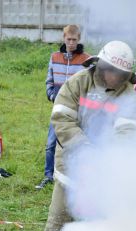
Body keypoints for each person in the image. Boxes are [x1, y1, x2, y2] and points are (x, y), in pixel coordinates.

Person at [30, 40, 136, 231]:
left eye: (122, 74)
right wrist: (85, 151)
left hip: (105, 174)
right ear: (101, 66)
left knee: (100, 226)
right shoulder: (77, 83)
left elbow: (127, 134)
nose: (116, 77)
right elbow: (62, 119)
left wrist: (105, 162)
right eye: (112, 70)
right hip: (70, 167)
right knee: (58, 221)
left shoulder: (129, 96)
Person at [35, 25, 91, 190]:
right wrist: (52, 96)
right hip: (58, 109)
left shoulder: (86, 60)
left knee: (75, 143)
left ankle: (73, 176)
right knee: (51, 143)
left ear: (78, 39)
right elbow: (49, 80)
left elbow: (88, 84)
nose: (71, 43)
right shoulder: (55, 57)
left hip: (77, 110)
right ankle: (48, 175)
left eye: (74, 40)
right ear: (64, 38)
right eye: (69, 39)